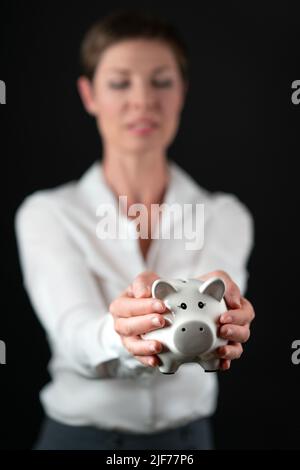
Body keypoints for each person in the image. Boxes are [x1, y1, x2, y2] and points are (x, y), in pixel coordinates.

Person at [15, 9, 255, 450]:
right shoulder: (47, 213)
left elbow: (215, 299)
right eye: (120, 82)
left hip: (188, 442)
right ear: (89, 95)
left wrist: (225, 318)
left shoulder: (226, 215)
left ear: (182, 91)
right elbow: (74, 334)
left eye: (161, 81)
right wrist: (120, 334)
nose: (143, 100)